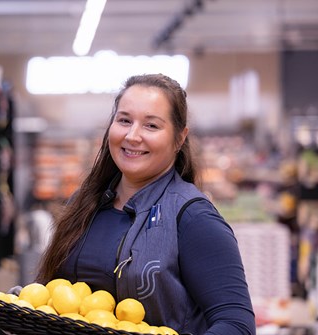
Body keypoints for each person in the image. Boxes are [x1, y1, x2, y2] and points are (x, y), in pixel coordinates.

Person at [35, 74, 256, 334]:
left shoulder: (192, 217)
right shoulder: (85, 203)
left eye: (151, 126)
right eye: (124, 120)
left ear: (179, 138)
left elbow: (237, 325)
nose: (132, 135)